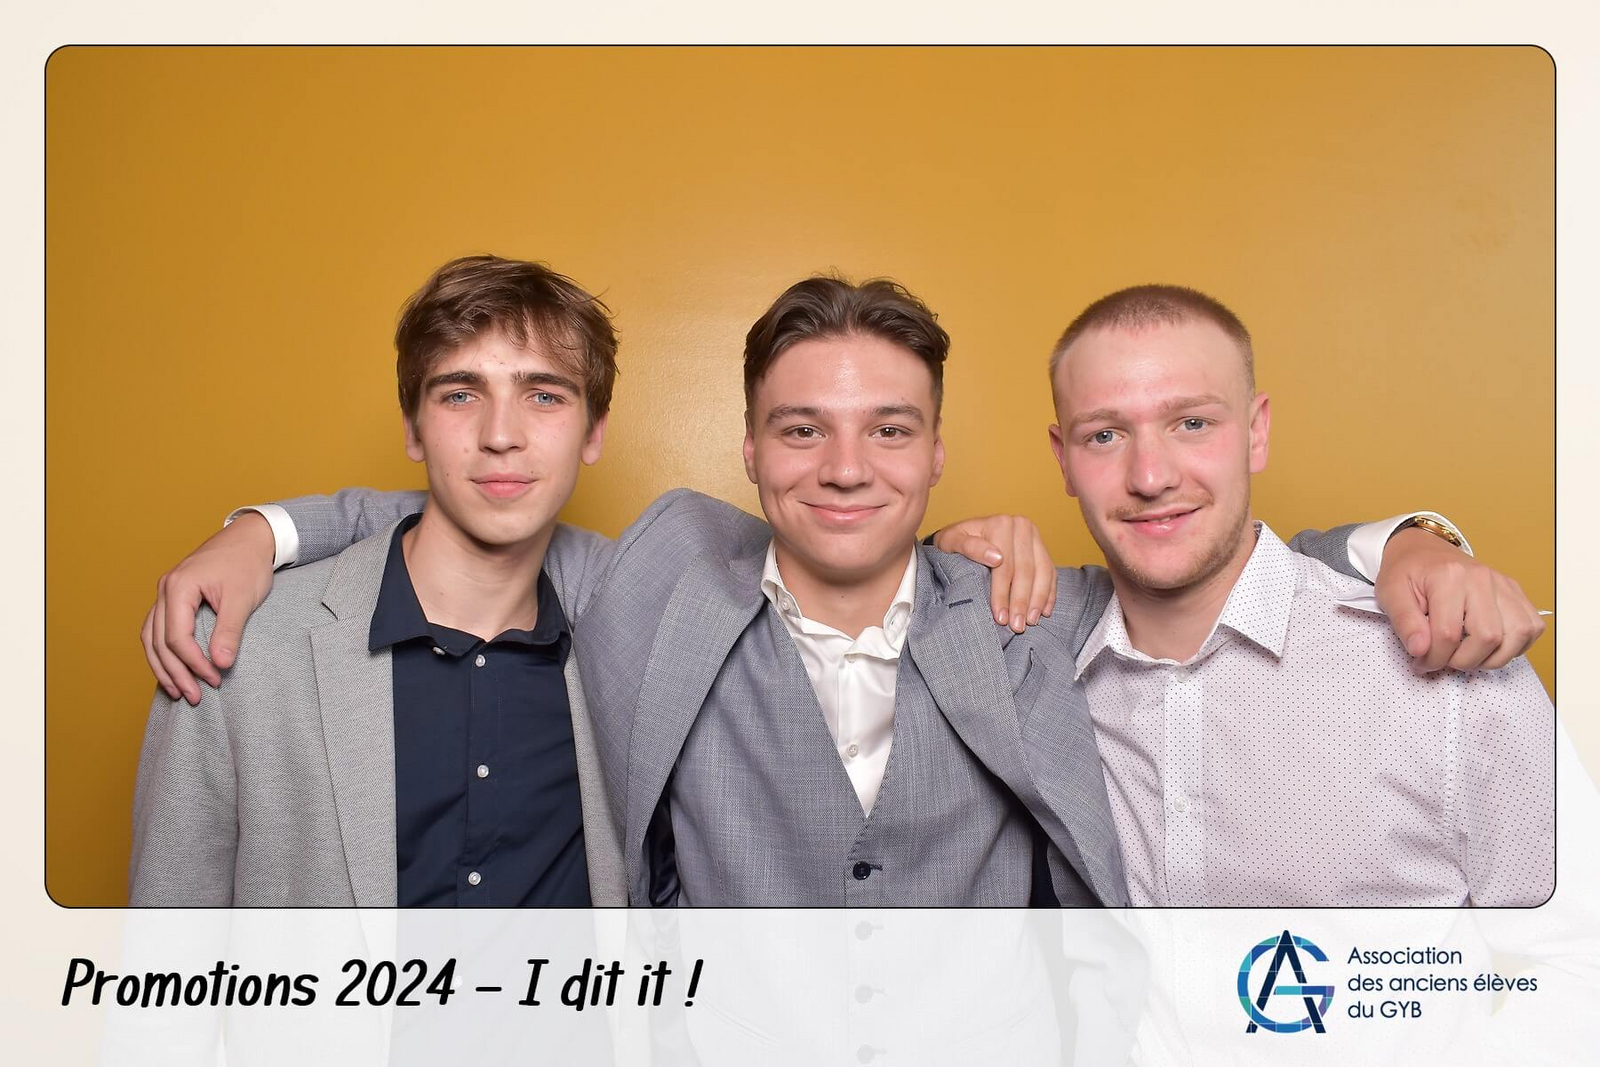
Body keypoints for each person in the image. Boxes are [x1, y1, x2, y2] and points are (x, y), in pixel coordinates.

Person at [139, 273, 1536, 905]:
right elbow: (479, 513)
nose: (847, 467)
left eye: (890, 429)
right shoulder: (661, 582)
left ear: (940, 451)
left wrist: (1401, 545)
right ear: (746, 450)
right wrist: (268, 528)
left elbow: (1203, 555)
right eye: (802, 428)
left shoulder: (1036, 610)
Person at [1047, 283, 1552, 905]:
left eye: (1193, 423)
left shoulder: (1456, 663)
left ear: (1256, 432)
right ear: (1063, 460)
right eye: (1104, 435)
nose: (1151, 477)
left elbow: (1570, 948)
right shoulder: (1034, 671)